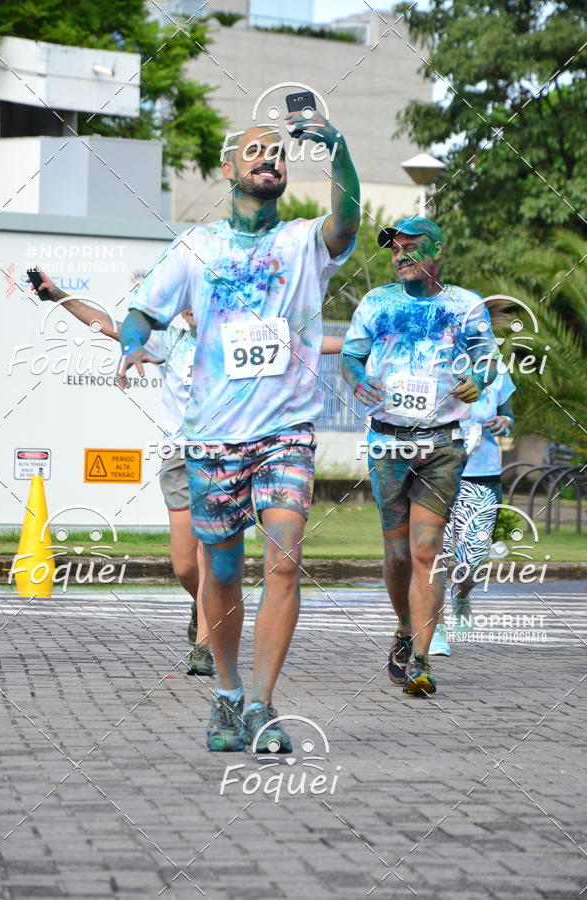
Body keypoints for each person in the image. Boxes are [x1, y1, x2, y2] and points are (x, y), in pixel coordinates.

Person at [118, 115, 359, 750]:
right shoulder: (198, 247)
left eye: (278, 154)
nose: (269, 161)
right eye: (254, 152)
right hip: (215, 437)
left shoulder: (306, 242)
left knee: (284, 564)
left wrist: (339, 152)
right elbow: (143, 310)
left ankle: (261, 701)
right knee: (220, 573)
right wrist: (133, 344)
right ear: (230, 169)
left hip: (286, 432)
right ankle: (225, 693)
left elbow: (348, 222)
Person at [25, 269, 214, 676]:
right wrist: (59, 295)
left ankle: (204, 647)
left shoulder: (230, 339)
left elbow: (296, 344)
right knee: (184, 565)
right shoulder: (170, 338)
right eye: (187, 298)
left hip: (222, 458)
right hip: (178, 456)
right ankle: (201, 607)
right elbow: (108, 325)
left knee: (209, 555)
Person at [341, 216, 499, 696]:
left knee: (426, 551)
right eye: (395, 250)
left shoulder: (465, 305)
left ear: (435, 252)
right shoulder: (376, 302)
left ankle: (422, 661)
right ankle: (405, 629)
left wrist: (481, 378)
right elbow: (350, 356)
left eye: (410, 249)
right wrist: (357, 379)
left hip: (442, 442)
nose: (399, 256)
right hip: (388, 442)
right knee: (396, 554)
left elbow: (488, 357)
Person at [429, 371, 515, 656]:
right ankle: (436, 629)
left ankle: (461, 594)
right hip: (435, 473)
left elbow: (507, 414)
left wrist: (505, 422)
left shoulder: (497, 369)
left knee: (474, 558)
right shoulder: (435, 361)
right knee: (434, 555)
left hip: (482, 475)